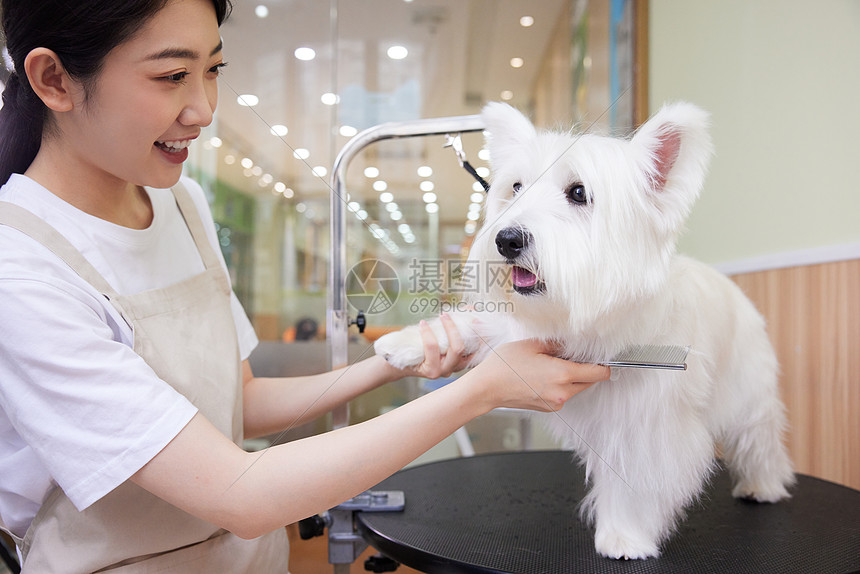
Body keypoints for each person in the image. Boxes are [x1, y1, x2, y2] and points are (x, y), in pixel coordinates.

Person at [0, 0, 610, 571]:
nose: (203, 108)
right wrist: (481, 390)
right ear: (54, 80)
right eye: (171, 77)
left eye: (213, 69)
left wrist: (393, 361)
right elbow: (242, 494)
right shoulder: (21, 270)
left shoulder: (181, 201)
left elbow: (242, 402)